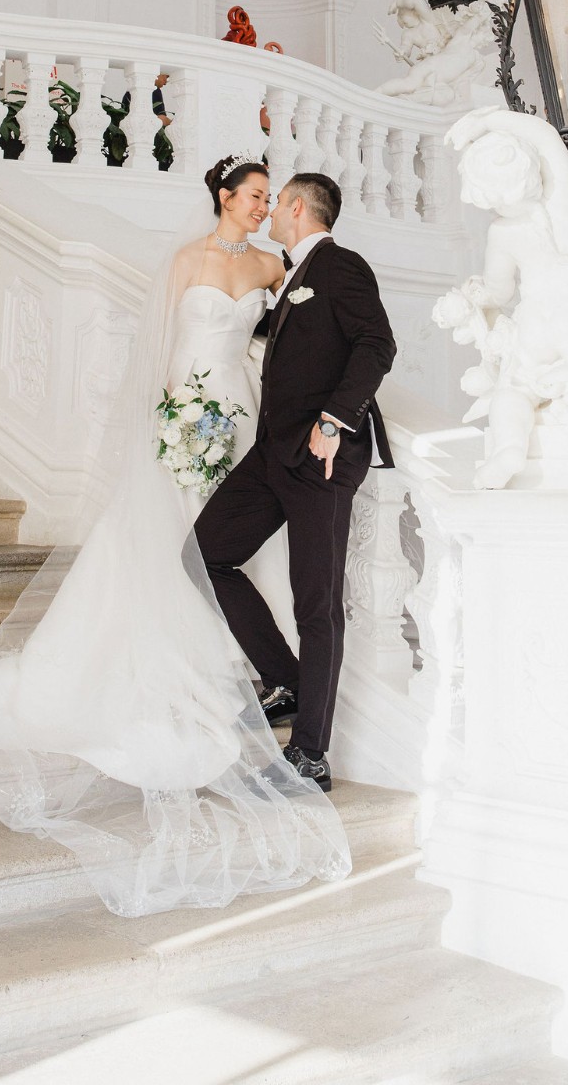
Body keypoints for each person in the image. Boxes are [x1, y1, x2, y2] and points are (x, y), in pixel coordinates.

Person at [0, 156, 350, 917]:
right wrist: (172, 418)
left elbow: (286, 339)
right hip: (188, 417)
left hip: (243, 419)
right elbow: (161, 351)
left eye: (271, 199)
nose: (264, 208)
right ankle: (180, 664)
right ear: (224, 197)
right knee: (174, 543)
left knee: (227, 551)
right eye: (255, 196)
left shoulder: (271, 264)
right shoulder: (183, 261)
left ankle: (250, 669)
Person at [195, 173, 396, 794]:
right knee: (206, 553)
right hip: (272, 452)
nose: (271, 211)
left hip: (321, 458)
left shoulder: (340, 266)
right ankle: (286, 680)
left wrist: (335, 421)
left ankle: (311, 754)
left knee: (316, 603)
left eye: (277, 201)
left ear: (297, 206)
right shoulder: (290, 276)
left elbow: (377, 344)